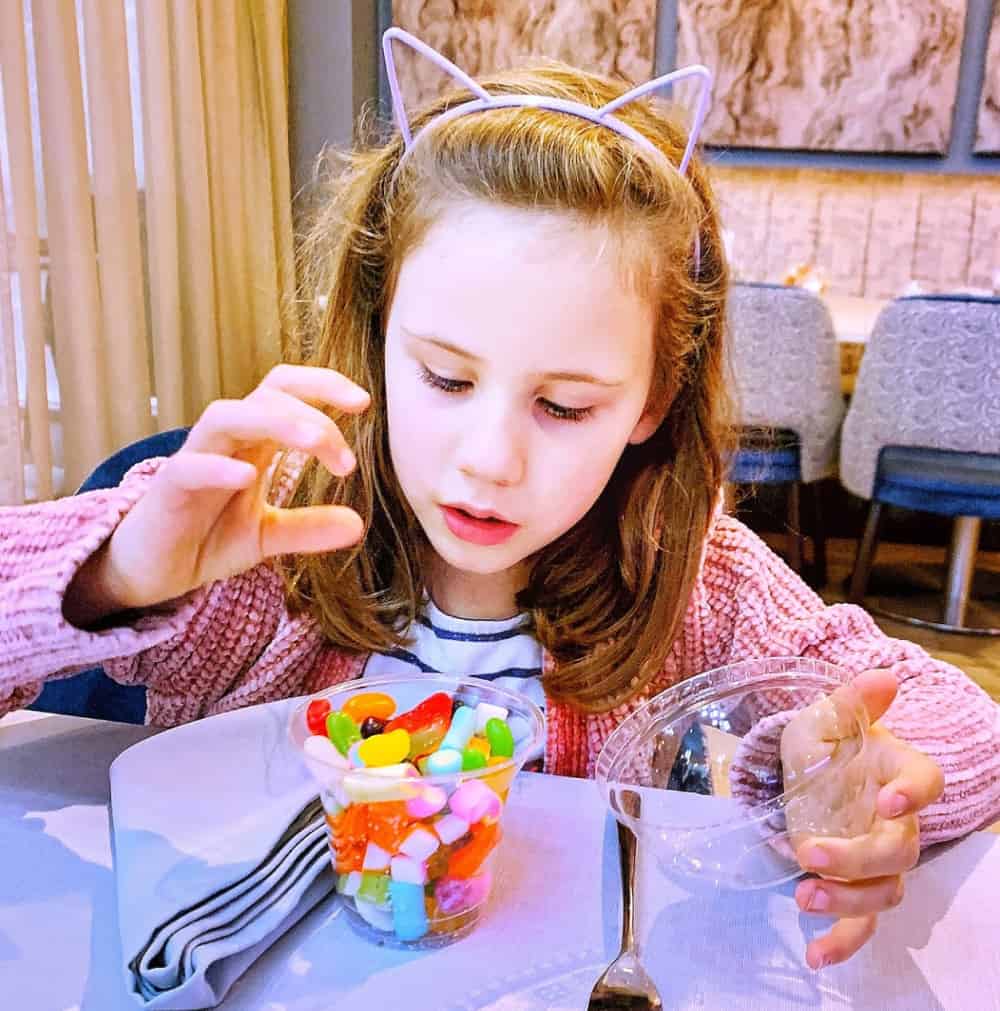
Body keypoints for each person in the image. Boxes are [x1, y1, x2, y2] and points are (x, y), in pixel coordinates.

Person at [2, 30, 998, 975]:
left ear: (651, 400)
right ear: (377, 334)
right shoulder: (257, 548)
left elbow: (949, 718)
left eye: (562, 405)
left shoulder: (697, 582)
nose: (487, 463)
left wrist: (849, 776)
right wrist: (113, 577)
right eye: (442, 379)